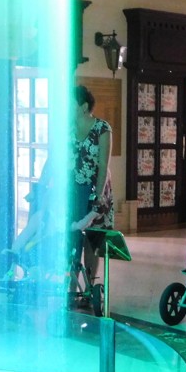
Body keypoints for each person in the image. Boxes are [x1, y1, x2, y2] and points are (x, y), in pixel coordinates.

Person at [71, 85, 114, 275]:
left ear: (84, 106)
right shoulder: (68, 128)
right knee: (72, 238)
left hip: (97, 189)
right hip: (74, 191)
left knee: (91, 238)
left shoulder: (102, 128)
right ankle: (71, 285)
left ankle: (90, 284)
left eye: (71, 103)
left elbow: (103, 165)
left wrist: (98, 196)